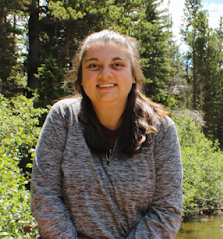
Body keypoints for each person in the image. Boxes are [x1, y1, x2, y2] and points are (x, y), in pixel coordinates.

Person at [31, 29, 183, 239]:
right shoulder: (63, 117)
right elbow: (45, 195)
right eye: (93, 66)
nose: (105, 74)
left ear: (133, 76)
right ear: (81, 78)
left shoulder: (161, 129)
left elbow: (167, 211)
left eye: (117, 65)